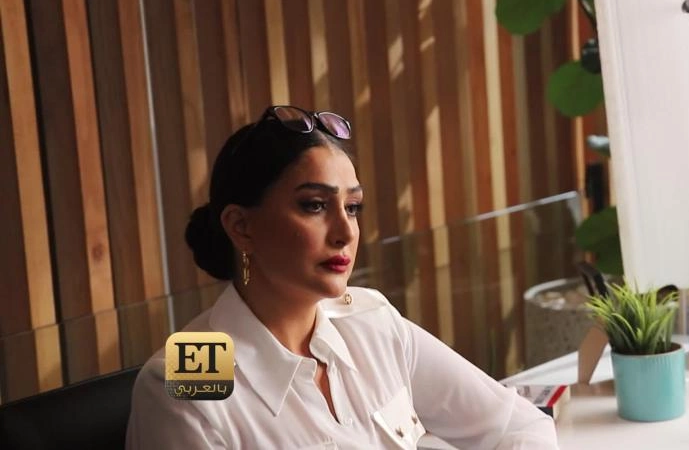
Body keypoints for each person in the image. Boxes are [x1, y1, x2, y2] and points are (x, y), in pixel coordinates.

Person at [126, 105, 559, 449]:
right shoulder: (186, 378)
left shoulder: (371, 321)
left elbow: (519, 426)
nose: (346, 232)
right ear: (241, 227)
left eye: (352, 208)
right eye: (314, 205)